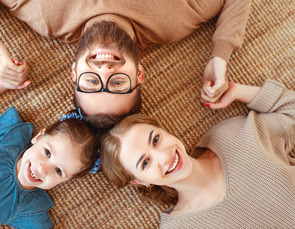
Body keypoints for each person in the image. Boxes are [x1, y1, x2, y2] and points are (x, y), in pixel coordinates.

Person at [0, 0, 254, 128]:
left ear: (74, 72)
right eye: (116, 84)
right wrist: (221, 55)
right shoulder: (174, 21)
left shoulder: (46, 16)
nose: (104, 69)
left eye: (91, 82)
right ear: (139, 74)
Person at [100, 80, 295, 228]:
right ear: (139, 181)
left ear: (165, 131)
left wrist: (236, 90)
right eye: (145, 163)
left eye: (156, 140)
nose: (163, 157)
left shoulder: (231, 136)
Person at [0, 59, 98, 228]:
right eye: (47, 153)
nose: (42, 169)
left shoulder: (27, 208)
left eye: (58, 171)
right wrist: (0, 83)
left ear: (66, 181)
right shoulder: (5, 141)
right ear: (38, 136)